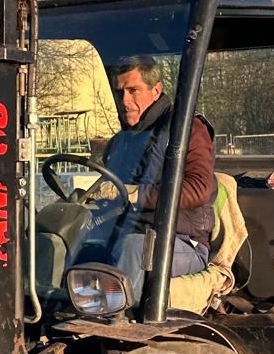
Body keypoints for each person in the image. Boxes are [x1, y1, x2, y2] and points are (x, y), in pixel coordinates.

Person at [79, 56, 215, 301]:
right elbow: (108, 190)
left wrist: (134, 193)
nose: (125, 100)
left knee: (134, 248)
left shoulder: (187, 129)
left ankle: (119, 319)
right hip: (128, 232)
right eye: (120, 92)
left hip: (179, 241)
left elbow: (199, 188)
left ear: (156, 90)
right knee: (72, 241)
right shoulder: (120, 142)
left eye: (134, 90)